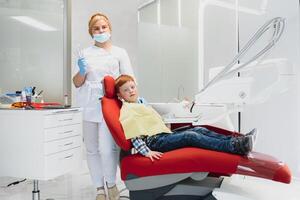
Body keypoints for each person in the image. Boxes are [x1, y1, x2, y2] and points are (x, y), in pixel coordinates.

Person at [115, 74, 257, 162]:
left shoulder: (142, 102)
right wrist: (147, 152)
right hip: (154, 143)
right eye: (126, 90)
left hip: (163, 135)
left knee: (199, 129)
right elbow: (134, 135)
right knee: (190, 136)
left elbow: (153, 119)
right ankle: (234, 147)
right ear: (120, 95)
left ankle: (238, 141)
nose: (131, 91)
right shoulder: (127, 110)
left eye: (132, 87)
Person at [73, 13, 134, 200]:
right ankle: (99, 188)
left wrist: (133, 102)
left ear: (110, 28)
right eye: (96, 29)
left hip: (110, 105)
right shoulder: (85, 53)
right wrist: (82, 71)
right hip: (88, 104)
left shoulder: (120, 52)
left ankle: (111, 184)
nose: (100, 31)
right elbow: (77, 82)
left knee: (108, 149)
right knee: (91, 149)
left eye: (103, 27)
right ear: (91, 32)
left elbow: (129, 80)